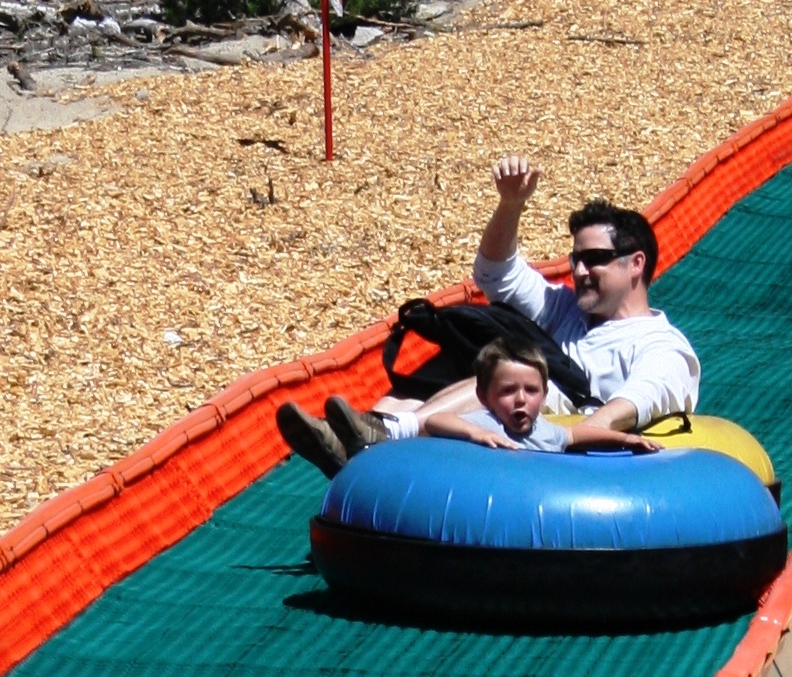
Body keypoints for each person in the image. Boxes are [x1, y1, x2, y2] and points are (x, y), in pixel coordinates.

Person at [277, 156, 702, 475]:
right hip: (515, 417)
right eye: (576, 259)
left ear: (636, 264)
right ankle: (369, 431)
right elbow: (496, 273)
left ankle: (383, 439)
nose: (578, 271)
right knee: (475, 346)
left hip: (556, 420)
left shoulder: (661, 346)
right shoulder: (566, 311)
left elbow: (636, 400)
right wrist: (511, 204)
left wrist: (579, 441)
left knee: (524, 380)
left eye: (594, 260)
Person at [423, 339, 661, 454]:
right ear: (484, 397)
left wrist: (626, 439)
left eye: (531, 390)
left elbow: (573, 432)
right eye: (507, 391)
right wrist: (476, 433)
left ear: (545, 395)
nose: (520, 399)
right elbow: (436, 420)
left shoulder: (544, 432)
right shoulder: (488, 423)